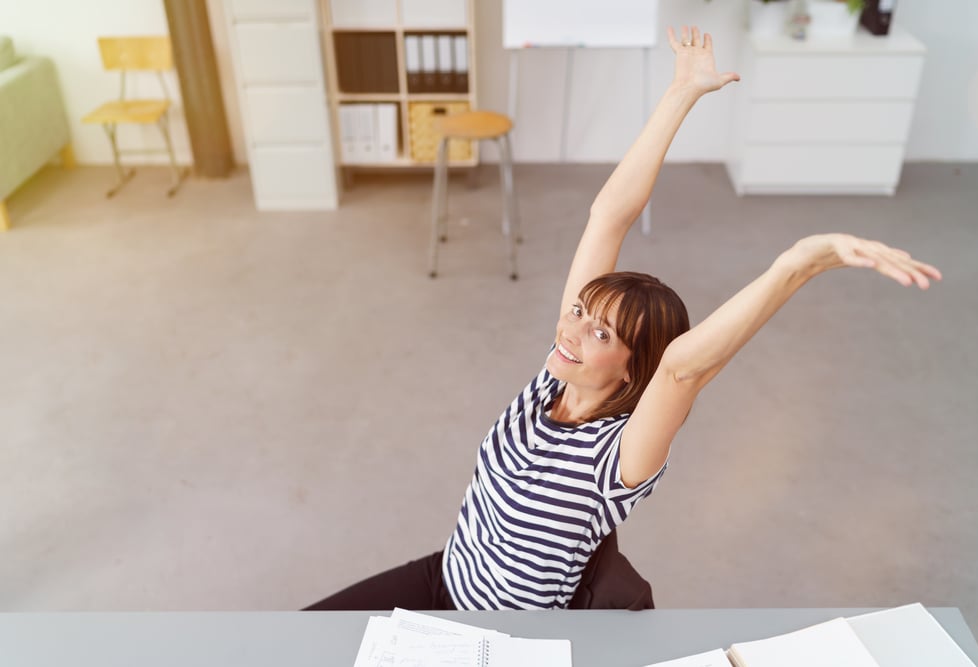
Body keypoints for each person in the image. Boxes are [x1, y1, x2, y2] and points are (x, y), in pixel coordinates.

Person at [303, 25, 941, 612]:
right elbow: (608, 215)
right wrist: (681, 93)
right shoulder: (552, 381)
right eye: (579, 313)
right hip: (443, 579)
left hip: (508, 633)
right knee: (296, 639)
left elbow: (686, 371)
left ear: (635, 367)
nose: (571, 329)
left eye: (600, 332)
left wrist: (800, 262)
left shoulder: (619, 457)